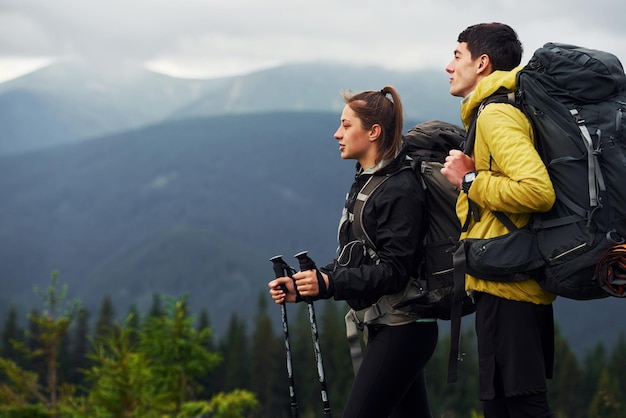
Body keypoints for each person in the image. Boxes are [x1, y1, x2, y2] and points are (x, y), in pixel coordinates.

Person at [268, 86, 438, 418]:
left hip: (403, 329)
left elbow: (394, 270)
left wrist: (328, 284)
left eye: (347, 125)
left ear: (374, 132)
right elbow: (357, 259)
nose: (337, 134)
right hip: (392, 327)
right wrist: (308, 286)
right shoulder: (368, 180)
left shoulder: (400, 188)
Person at [441, 23, 557, 418]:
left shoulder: (495, 115)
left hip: (511, 290)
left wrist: (469, 179)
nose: (448, 66)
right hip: (505, 281)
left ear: (483, 63)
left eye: (457, 56)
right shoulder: (499, 109)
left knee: (520, 405)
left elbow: (538, 191)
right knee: (506, 405)